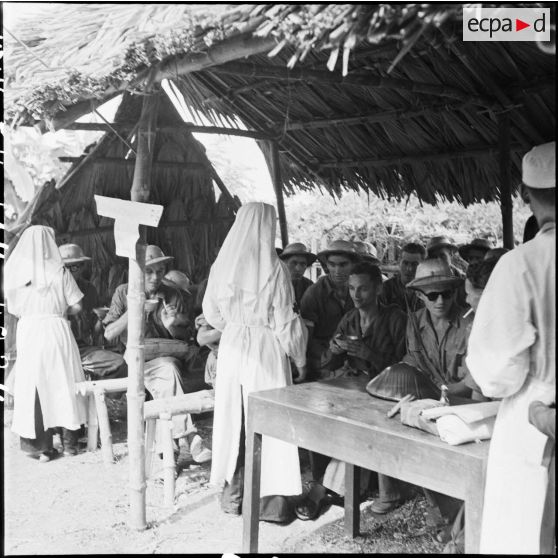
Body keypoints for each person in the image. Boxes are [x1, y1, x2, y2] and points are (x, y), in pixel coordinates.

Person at [466, 141, 555, 554]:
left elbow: (497, 373)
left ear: (526, 195)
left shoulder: (520, 264)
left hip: (535, 417)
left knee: (525, 529)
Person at [202, 202, 308, 521]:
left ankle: (232, 495)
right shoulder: (274, 268)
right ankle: (269, 505)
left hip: (234, 346)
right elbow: (285, 321)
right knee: (269, 417)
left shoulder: (222, 265)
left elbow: (211, 313)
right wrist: (299, 357)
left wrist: (235, 327)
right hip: (265, 347)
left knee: (235, 418)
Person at [295, 262, 408, 520]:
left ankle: (325, 489)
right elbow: (328, 362)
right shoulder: (350, 319)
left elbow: (405, 367)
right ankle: (327, 482)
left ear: (378, 289)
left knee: (359, 427)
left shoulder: (395, 318)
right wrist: (334, 351)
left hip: (385, 392)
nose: (356, 296)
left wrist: (371, 355)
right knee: (318, 415)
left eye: (363, 289)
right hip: (351, 387)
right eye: (352, 289)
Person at [104, 245, 211, 465]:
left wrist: (170, 324)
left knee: (167, 369)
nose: (155, 277)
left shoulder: (173, 293)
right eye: (148, 271)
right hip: (135, 359)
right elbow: (109, 333)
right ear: (137, 270)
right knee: (168, 372)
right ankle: (188, 436)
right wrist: (136, 309)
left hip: (166, 357)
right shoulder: (124, 292)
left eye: (160, 271)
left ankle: (170, 448)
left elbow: (186, 337)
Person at [5, 226, 87, 461]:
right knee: (63, 381)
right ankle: (70, 444)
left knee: (34, 385)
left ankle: (41, 447)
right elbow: (78, 305)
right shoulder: (60, 272)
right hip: (55, 329)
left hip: (30, 331)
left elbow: (13, 309)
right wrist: (59, 309)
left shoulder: (17, 274)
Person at [59, 243, 127, 382]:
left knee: (120, 363)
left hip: (82, 349)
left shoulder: (89, 289)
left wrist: (99, 320)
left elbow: (95, 326)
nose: (69, 273)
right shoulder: (52, 290)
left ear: (83, 266)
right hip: (58, 348)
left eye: (75, 267)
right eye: (64, 268)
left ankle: (105, 400)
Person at [300, 240, 360, 380]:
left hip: (354, 359)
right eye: (332, 265)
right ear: (326, 265)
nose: (337, 270)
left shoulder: (359, 291)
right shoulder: (314, 293)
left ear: (353, 265)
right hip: (322, 363)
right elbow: (306, 339)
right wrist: (328, 353)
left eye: (343, 264)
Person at [380, 242, 425, 313]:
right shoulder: (386, 289)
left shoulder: (427, 290)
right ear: (399, 263)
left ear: (423, 265)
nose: (409, 268)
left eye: (414, 264)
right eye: (405, 263)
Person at [278, 242, 317, 308]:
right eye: (294, 263)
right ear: (283, 264)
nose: (298, 269)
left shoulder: (309, 285)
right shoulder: (273, 284)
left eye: (303, 264)